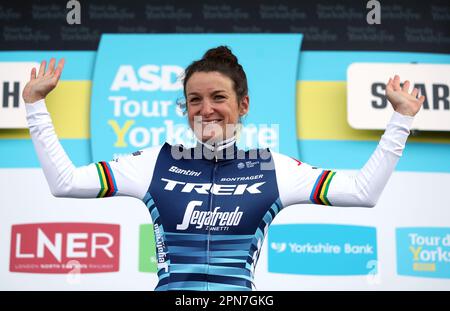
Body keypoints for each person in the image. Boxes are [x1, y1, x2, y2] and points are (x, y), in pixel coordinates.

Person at [23, 46, 425, 291]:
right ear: (185, 109)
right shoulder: (155, 162)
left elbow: (363, 192)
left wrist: (401, 120)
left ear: (243, 105)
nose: (206, 109)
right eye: (194, 100)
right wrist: (35, 106)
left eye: (218, 96)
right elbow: (65, 182)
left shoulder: (273, 168)